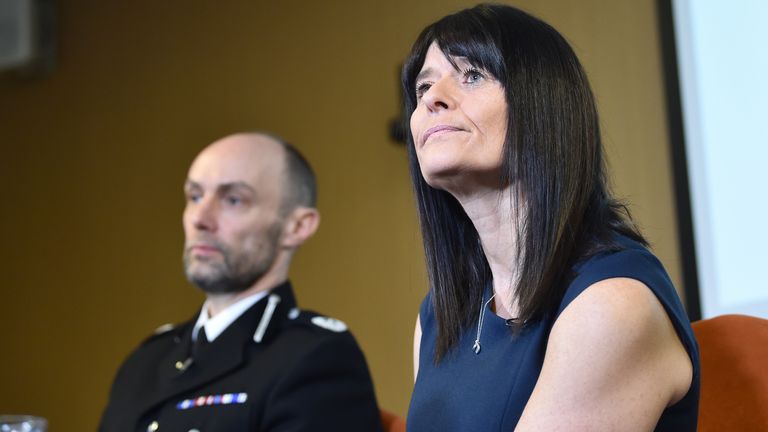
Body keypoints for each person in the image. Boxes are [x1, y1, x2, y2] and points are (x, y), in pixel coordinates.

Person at [402, 5, 699, 431]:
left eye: (471, 75)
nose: (432, 97)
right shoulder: (438, 315)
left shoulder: (611, 304)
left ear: (542, 105)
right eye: (423, 86)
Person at [99, 133, 383, 432]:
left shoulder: (316, 358)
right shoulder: (147, 360)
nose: (200, 218)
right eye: (195, 196)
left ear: (297, 226)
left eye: (233, 200)